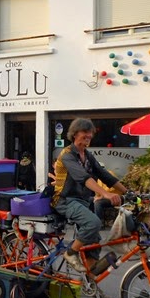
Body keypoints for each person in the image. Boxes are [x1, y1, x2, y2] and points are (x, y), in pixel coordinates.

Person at [51, 118, 127, 280]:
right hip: (64, 200)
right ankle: (70, 253)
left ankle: (90, 281)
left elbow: (104, 175)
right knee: (93, 223)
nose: (88, 137)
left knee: (94, 240)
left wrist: (128, 192)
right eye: (84, 133)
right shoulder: (67, 155)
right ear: (74, 134)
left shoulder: (87, 155)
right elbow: (83, 177)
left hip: (82, 201)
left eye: (90, 134)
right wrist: (105, 194)